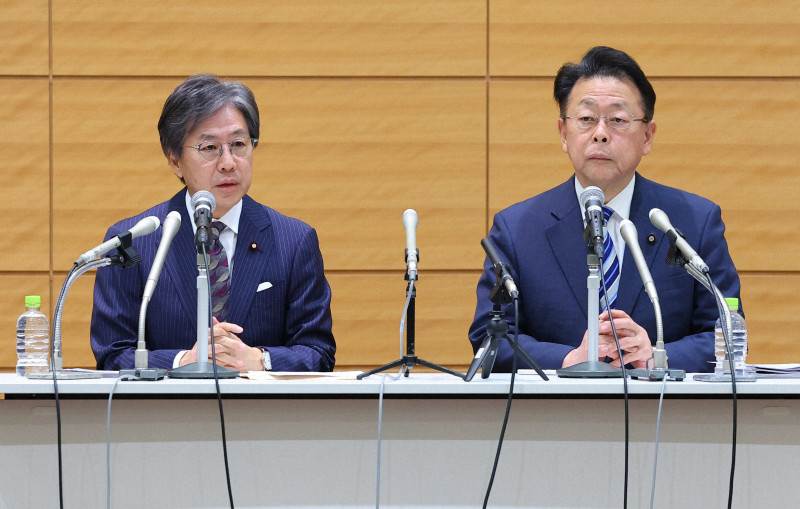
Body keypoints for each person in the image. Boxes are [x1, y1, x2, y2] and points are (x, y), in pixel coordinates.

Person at [468, 46, 740, 373]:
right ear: (563, 133)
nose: (600, 134)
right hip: (555, 405)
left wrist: (657, 356)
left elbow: (727, 331)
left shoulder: (694, 222)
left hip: (661, 404)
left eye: (617, 120)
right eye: (586, 119)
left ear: (648, 136)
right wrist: (569, 360)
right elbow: (489, 338)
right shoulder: (517, 230)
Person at [91, 75, 335, 372]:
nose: (228, 162)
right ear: (175, 160)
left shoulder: (294, 241)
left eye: (239, 144)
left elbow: (318, 353)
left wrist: (260, 360)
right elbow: (113, 354)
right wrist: (184, 362)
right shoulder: (132, 242)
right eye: (209, 148)